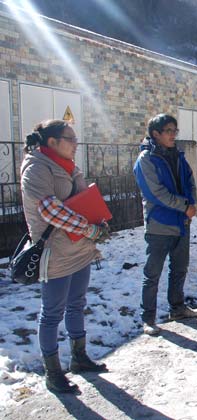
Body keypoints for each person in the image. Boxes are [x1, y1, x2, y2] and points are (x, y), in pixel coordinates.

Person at [20, 119, 109, 393]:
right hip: (56, 253)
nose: (75, 144)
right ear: (52, 142)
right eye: (70, 139)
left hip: (80, 249)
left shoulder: (69, 166)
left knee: (77, 304)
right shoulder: (36, 169)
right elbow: (51, 211)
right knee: (51, 313)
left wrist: (99, 221)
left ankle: (79, 357)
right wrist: (90, 229)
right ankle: (53, 372)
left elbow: (82, 200)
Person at [134, 114, 197, 336]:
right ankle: (148, 318)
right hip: (159, 226)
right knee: (152, 274)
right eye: (169, 131)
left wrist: (192, 203)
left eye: (175, 130)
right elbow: (156, 193)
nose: (173, 135)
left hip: (182, 223)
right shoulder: (146, 159)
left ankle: (177, 308)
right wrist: (185, 206)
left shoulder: (178, 156)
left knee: (179, 268)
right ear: (156, 134)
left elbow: (190, 181)